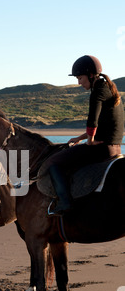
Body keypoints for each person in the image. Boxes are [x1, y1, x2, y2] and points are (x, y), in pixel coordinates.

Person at [48, 55, 124, 216]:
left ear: (90, 75)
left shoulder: (98, 91)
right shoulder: (108, 88)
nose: (79, 82)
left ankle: (65, 203)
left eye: (80, 78)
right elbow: (102, 124)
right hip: (115, 147)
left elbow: (93, 121)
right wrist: (80, 138)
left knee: (54, 163)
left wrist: (89, 141)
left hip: (102, 149)